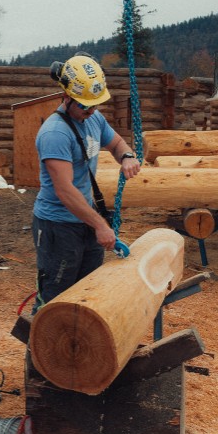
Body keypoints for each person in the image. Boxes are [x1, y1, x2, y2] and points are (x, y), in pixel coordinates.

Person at [32, 53, 141, 310]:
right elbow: (65, 191)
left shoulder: (94, 118)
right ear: (66, 96)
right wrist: (101, 226)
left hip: (86, 221)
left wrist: (126, 156)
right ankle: (38, 351)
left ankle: (77, 350)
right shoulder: (55, 133)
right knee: (54, 301)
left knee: (87, 292)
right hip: (58, 226)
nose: (91, 111)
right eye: (85, 106)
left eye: (95, 105)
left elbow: (116, 143)